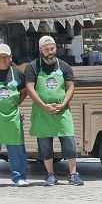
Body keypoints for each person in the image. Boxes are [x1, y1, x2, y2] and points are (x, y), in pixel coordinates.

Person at [24, 35, 83, 186]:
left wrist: (63, 104)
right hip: (42, 113)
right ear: (40, 50)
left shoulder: (64, 66)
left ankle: (73, 174)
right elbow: (30, 89)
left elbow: (70, 87)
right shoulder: (32, 67)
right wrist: (44, 105)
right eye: (46, 49)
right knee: (44, 146)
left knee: (69, 143)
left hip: (62, 112)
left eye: (52, 48)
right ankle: (50, 175)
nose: (50, 52)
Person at [0, 43, 29, 186]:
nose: (3, 59)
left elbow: (24, 92)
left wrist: (15, 104)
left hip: (12, 117)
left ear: (11, 57)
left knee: (16, 148)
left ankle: (19, 177)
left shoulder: (17, 73)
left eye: (5, 56)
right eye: (0, 57)